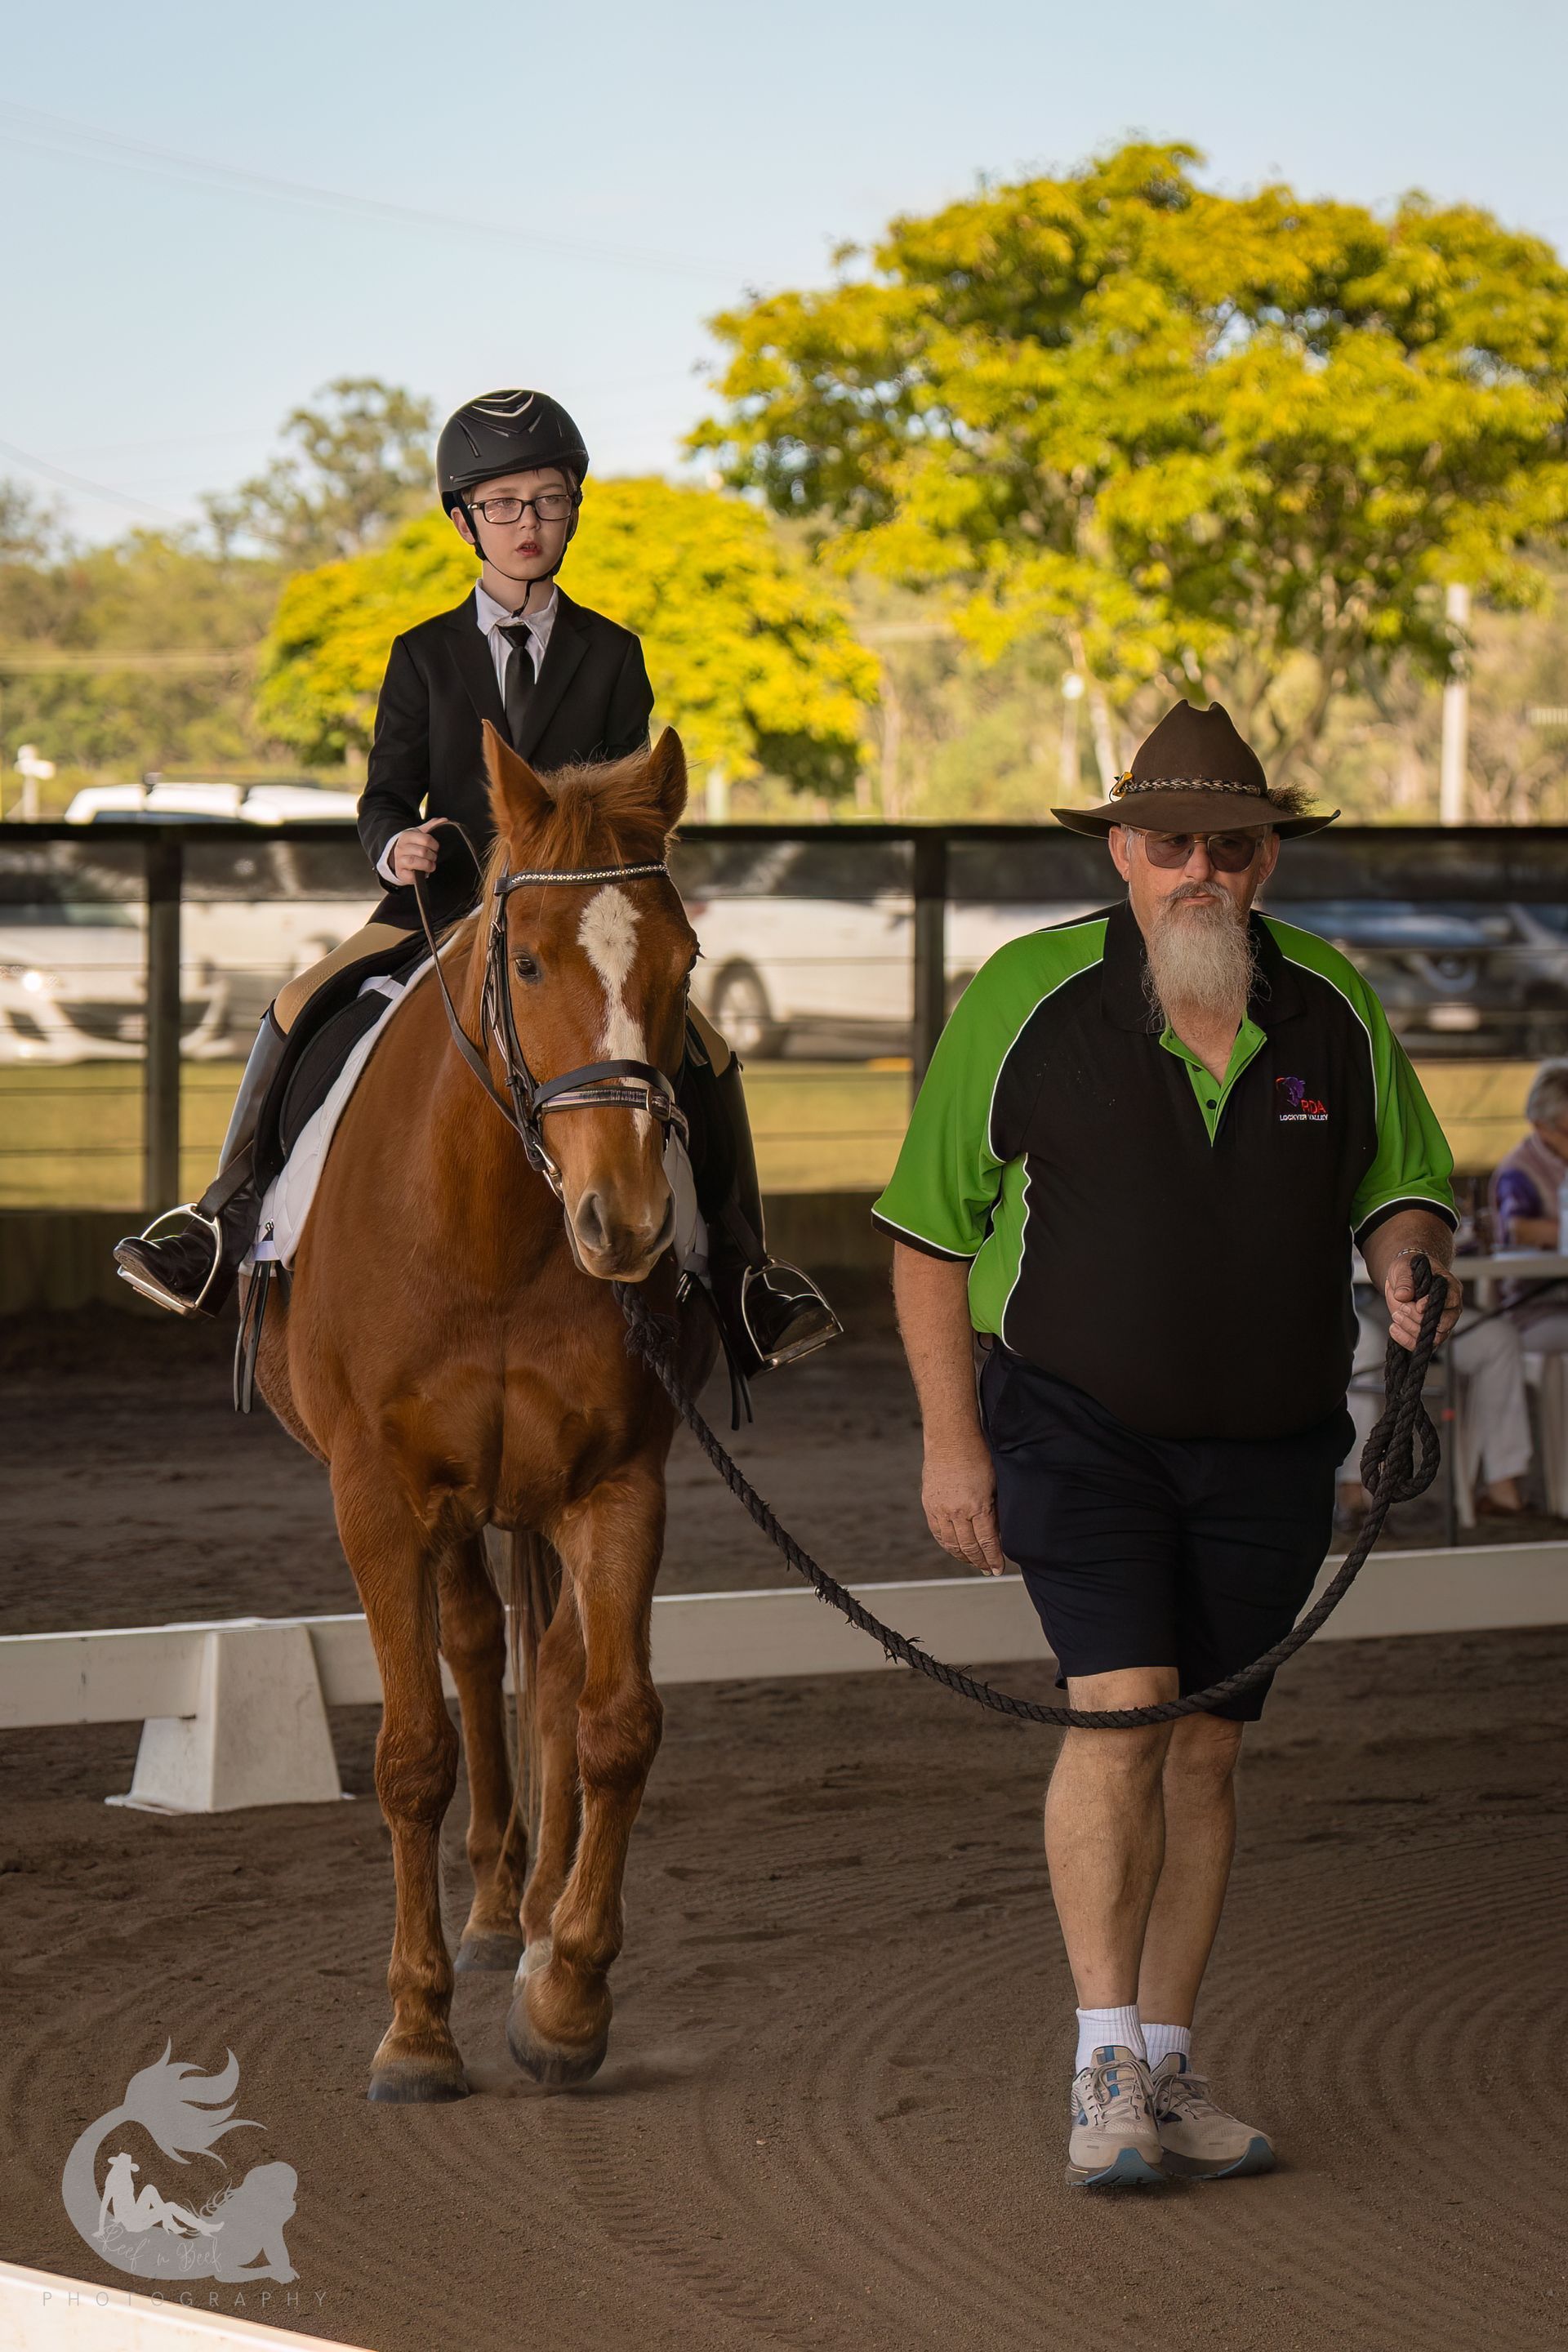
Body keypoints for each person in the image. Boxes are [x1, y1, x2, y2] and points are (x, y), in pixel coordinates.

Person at [873, 700, 1461, 2189]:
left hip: (1274, 1440)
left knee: (1206, 1750)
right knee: (1125, 1710)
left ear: (1266, 860)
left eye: (1232, 842)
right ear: (1122, 851)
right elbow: (931, 1241)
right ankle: (1102, 2069)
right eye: (1170, 840)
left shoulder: (1332, 1002)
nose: (1200, 865)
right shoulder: (1027, 996)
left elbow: (1404, 1184)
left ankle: (1177, 2065)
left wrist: (1405, 1262)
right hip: (1074, 1427)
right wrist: (954, 1446)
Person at [115, 389, 839, 1377]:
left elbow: (623, 799)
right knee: (293, 1005)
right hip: (438, 904)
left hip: (562, 916)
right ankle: (219, 1223)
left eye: (547, 500)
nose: (527, 524)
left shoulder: (614, 655)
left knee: (706, 1052)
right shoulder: (422, 654)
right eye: (502, 505)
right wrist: (394, 847)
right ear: (465, 521)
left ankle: (749, 1275)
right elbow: (383, 794)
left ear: (573, 508)